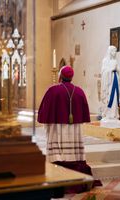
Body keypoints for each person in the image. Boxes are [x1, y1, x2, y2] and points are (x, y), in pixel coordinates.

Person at [38, 65, 102, 193]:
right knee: (72, 149)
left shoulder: (53, 90)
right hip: (74, 129)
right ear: (71, 77)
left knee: (58, 149)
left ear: (60, 76)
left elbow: (44, 109)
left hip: (57, 128)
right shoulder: (79, 91)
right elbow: (84, 111)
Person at [100, 45, 120, 119]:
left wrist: (118, 70)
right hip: (109, 82)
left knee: (115, 97)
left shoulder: (115, 61)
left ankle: (114, 114)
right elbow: (103, 72)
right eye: (113, 51)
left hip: (115, 80)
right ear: (110, 52)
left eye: (115, 51)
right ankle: (108, 114)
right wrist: (111, 70)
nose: (115, 53)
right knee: (109, 96)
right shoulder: (105, 60)